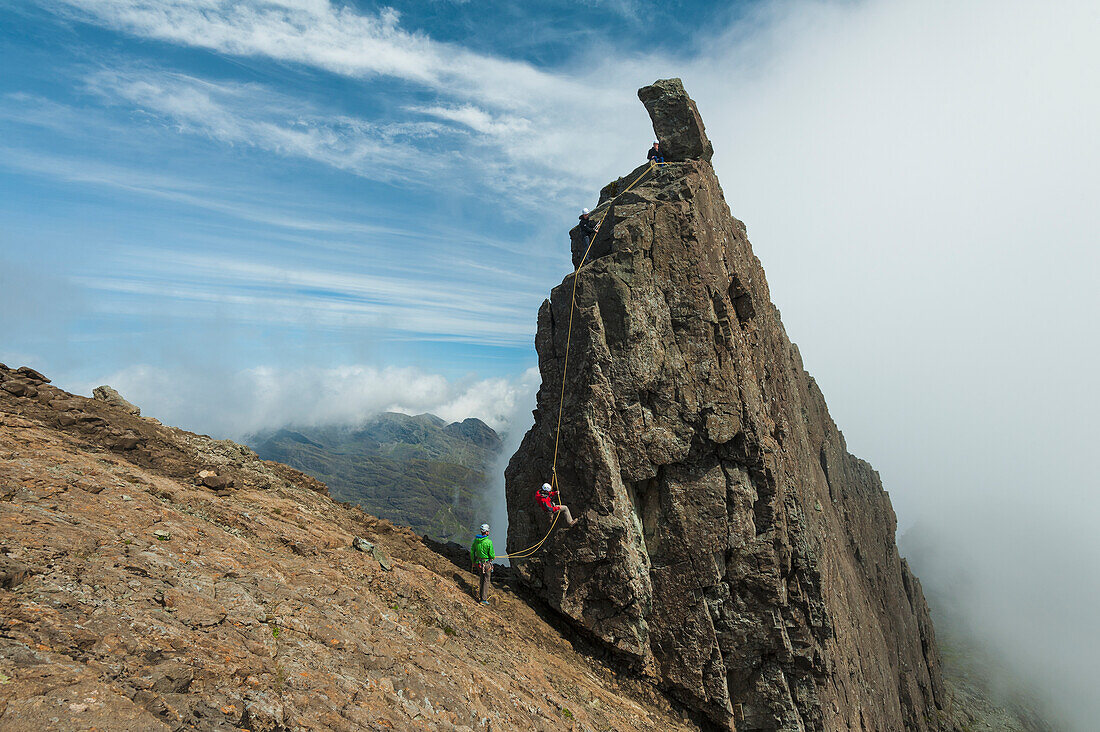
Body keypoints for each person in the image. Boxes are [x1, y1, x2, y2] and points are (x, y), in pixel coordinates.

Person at [470, 523, 494, 605]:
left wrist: (473, 562)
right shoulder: (488, 542)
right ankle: (483, 599)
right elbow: (491, 554)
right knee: (486, 580)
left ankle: (481, 597)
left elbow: (472, 551)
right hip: (486, 564)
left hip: (478, 563)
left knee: (482, 579)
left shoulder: (476, 541)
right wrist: (492, 557)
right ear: (486, 532)